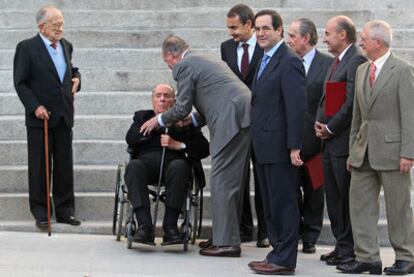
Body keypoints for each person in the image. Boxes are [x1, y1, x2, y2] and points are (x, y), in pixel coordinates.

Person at [140, 35, 251, 257]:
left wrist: (158, 120)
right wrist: (191, 120)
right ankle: (224, 235)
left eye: (167, 61)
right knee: (229, 180)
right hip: (238, 114)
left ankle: (227, 242)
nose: (170, 66)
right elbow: (211, 97)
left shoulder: (184, 65)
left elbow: (181, 107)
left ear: (171, 55)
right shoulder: (204, 58)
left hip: (230, 118)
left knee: (222, 179)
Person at [337, 20, 414, 275]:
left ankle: (406, 256)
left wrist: (408, 152)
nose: (360, 42)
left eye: (364, 39)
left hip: (394, 153)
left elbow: (410, 115)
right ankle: (367, 257)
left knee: (398, 208)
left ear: (378, 42)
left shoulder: (402, 70)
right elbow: (357, 117)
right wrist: (351, 151)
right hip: (363, 151)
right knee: (359, 205)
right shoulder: (361, 71)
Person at [248, 9, 305, 275]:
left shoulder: (289, 60)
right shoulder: (264, 58)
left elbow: (296, 108)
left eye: (266, 29)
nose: (260, 33)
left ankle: (284, 259)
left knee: (284, 203)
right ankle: (276, 252)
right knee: (271, 204)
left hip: (281, 148)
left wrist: (295, 146)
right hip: (263, 145)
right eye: (258, 29)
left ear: (279, 30)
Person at [13, 5, 81, 228]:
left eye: (61, 23)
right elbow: (20, 82)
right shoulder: (27, 48)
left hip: (63, 115)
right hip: (40, 118)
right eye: (55, 24)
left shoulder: (66, 45)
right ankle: (41, 213)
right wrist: (35, 107)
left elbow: (71, 69)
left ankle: (65, 211)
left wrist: (77, 79)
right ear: (42, 26)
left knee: (64, 166)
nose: (60, 28)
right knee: (40, 166)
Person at [124, 83, 209, 244]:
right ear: (152, 100)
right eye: (158, 96)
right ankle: (144, 226)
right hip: (146, 164)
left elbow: (204, 149)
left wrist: (178, 144)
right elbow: (131, 139)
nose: (162, 99)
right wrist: (155, 125)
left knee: (180, 167)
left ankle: (170, 227)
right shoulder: (142, 117)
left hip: (174, 164)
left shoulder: (185, 121)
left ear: (174, 101)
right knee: (133, 167)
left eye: (167, 96)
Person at [314, 15, 367, 266]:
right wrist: (320, 123)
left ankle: (350, 249)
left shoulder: (356, 59)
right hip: (329, 142)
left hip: (342, 143)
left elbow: (351, 102)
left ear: (342, 35)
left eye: (327, 33)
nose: (324, 38)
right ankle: (341, 244)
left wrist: (330, 129)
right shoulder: (339, 60)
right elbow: (330, 99)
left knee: (344, 199)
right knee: (333, 198)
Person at [219, 3, 268, 248]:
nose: (231, 33)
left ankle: (264, 232)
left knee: (262, 178)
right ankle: (243, 228)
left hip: (261, 122)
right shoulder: (226, 48)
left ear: (249, 24)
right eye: (229, 28)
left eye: (235, 27)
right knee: (238, 178)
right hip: (236, 123)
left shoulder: (265, 47)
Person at [287, 18, 333, 254]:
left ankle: (311, 237)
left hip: (318, 145)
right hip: (291, 142)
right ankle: (293, 232)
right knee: (291, 192)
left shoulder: (329, 64)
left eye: (293, 35)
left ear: (306, 38)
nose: (288, 39)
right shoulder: (286, 62)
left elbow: (334, 102)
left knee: (315, 192)